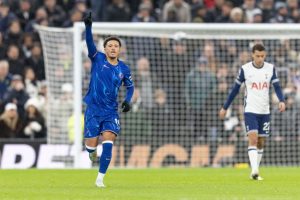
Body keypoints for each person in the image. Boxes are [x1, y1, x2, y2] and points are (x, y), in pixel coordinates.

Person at [219, 43, 286, 180]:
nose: (260, 59)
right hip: (250, 109)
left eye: (262, 56)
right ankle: (255, 171)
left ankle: (255, 170)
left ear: (265, 55)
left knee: (261, 142)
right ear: (252, 55)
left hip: (265, 110)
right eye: (257, 56)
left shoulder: (271, 68)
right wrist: (225, 107)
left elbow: (277, 87)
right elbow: (235, 90)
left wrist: (281, 100)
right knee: (253, 139)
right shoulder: (245, 69)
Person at [83, 11, 134, 188]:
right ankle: (91, 153)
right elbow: (89, 43)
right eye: (110, 45)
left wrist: (128, 100)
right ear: (105, 49)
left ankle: (100, 179)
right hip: (93, 109)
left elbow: (130, 87)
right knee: (90, 146)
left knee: (108, 142)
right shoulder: (97, 59)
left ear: (119, 49)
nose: (113, 48)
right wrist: (88, 27)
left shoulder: (124, 69)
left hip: (110, 111)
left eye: (116, 46)